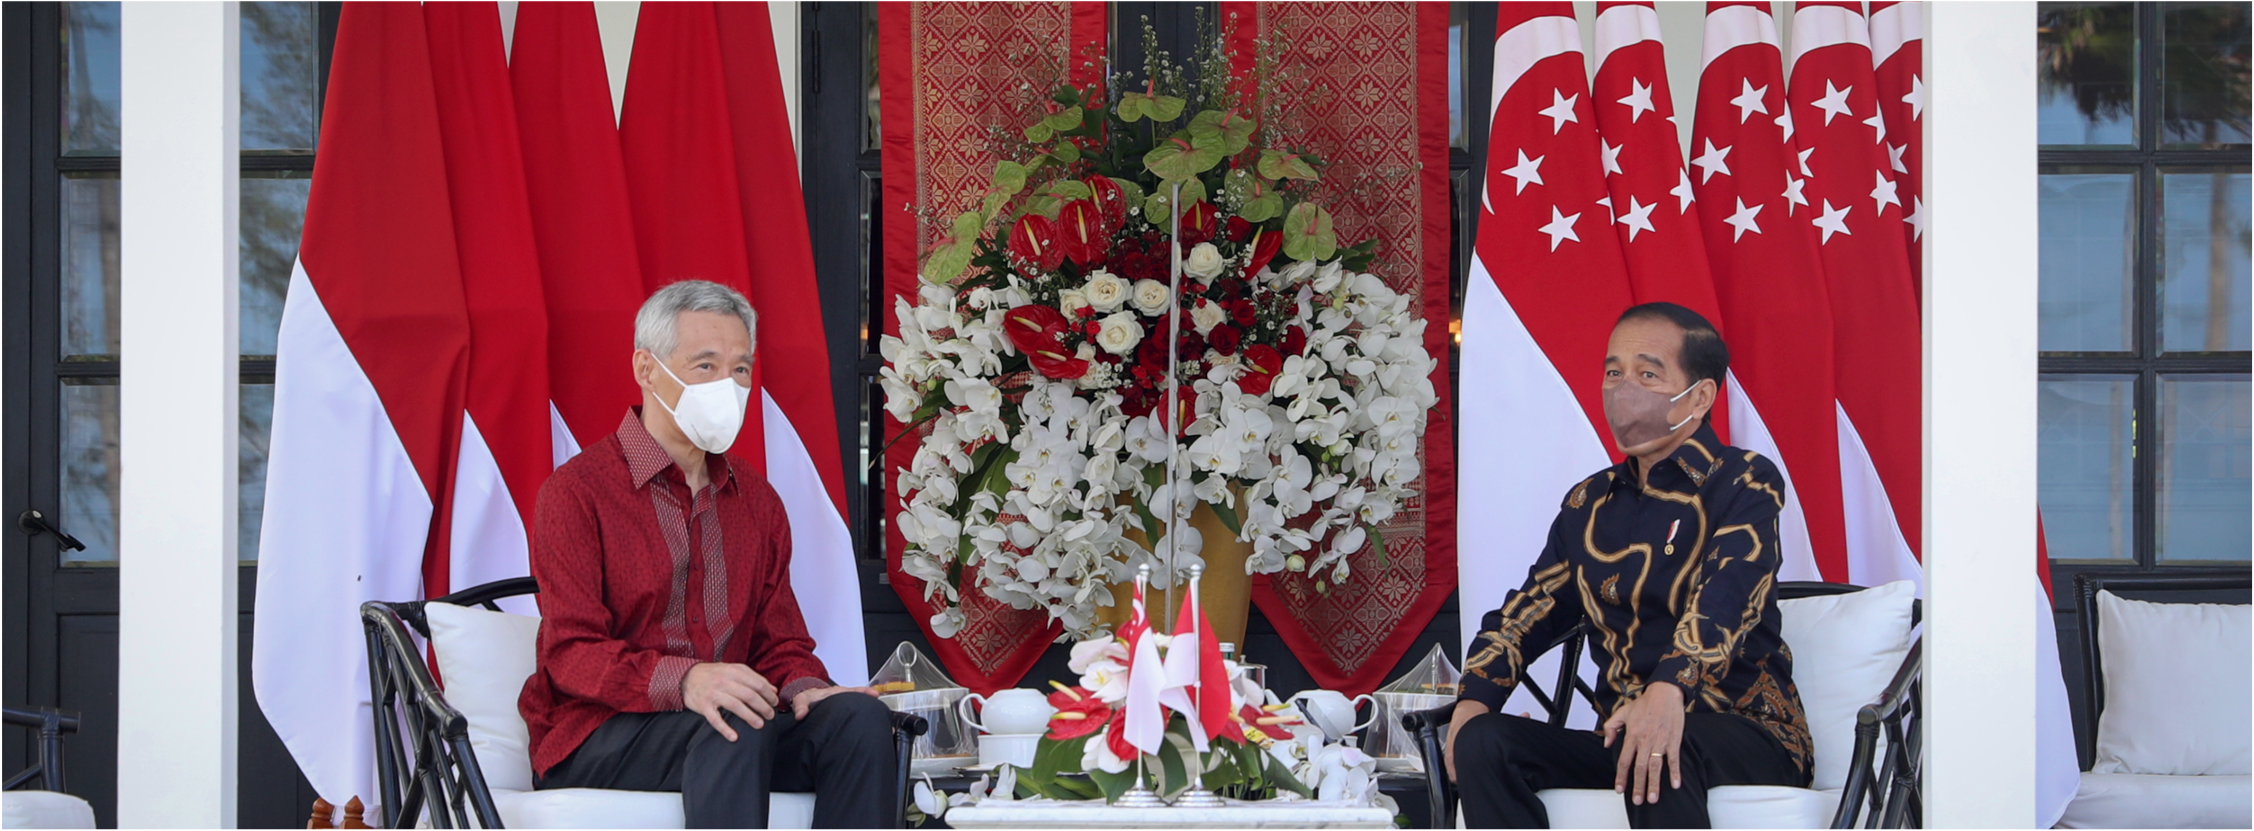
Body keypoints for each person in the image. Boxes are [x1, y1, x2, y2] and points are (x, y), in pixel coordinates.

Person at [519, 280, 894, 829]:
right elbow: (571, 654)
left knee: (857, 720)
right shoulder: (577, 492)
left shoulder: (757, 501)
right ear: (647, 370)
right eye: (706, 367)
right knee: (733, 717)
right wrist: (688, 680)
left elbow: (780, 643)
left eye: (741, 369)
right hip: (599, 732)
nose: (729, 386)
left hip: (731, 734)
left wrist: (810, 690)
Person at [1444, 302, 1813, 830]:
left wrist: (1668, 691)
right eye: (1613, 372)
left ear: (1701, 395)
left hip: (1746, 730)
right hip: (1622, 735)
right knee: (1487, 742)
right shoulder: (1588, 506)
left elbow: (1726, 600)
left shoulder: (1743, 480)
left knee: (1660, 743)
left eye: (1647, 373)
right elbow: (1525, 613)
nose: (1623, 389)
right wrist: (1474, 699)